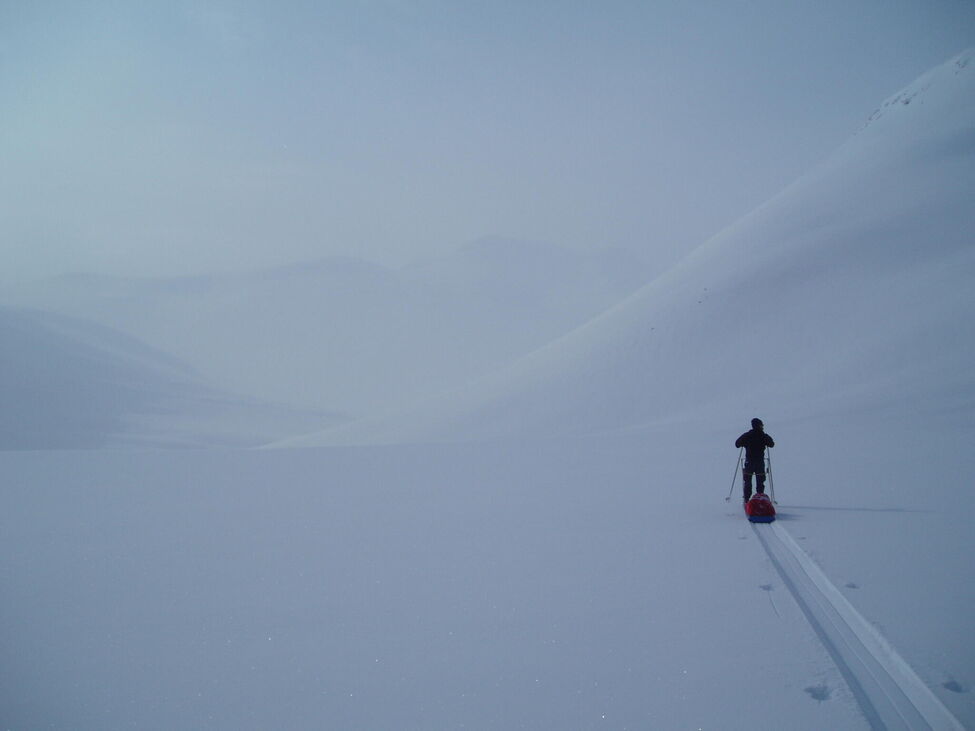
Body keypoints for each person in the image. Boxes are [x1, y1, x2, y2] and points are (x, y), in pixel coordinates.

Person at [735, 418, 774, 502]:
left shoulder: (747, 435)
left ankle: (746, 500)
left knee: (748, 481)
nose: (762, 427)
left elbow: (737, 444)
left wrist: (744, 443)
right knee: (760, 481)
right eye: (761, 425)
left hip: (749, 462)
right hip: (759, 462)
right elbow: (771, 444)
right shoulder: (763, 435)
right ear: (759, 426)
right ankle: (760, 499)